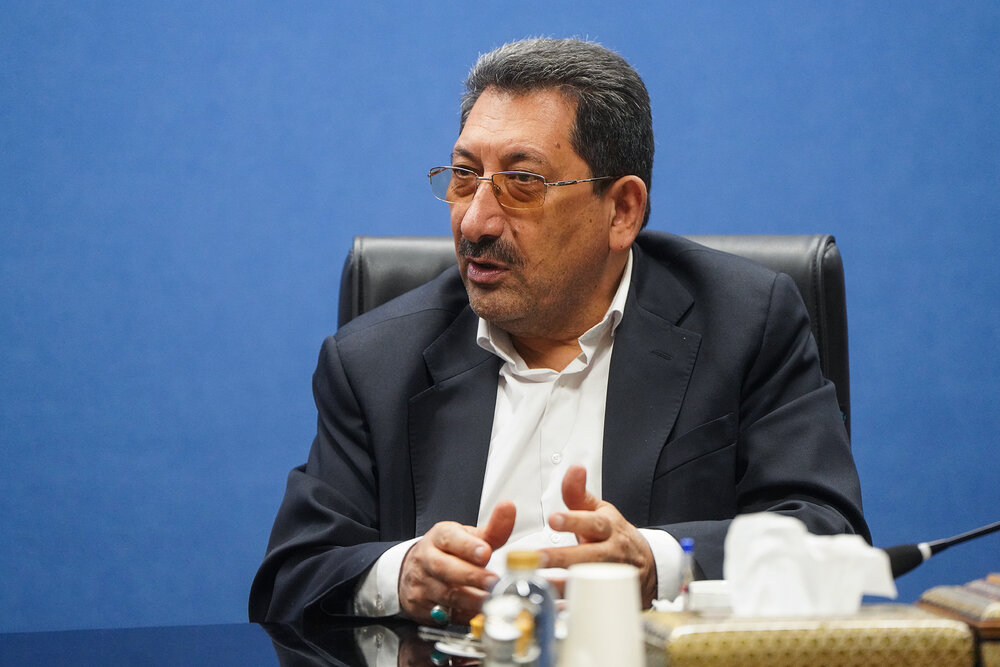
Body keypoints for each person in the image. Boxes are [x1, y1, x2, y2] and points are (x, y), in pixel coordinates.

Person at [249, 38, 869, 627]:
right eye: (464, 176)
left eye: (523, 182)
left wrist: (658, 564)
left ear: (622, 210)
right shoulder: (375, 361)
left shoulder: (744, 324)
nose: (475, 222)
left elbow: (828, 536)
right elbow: (291, 580)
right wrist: (403, 573)